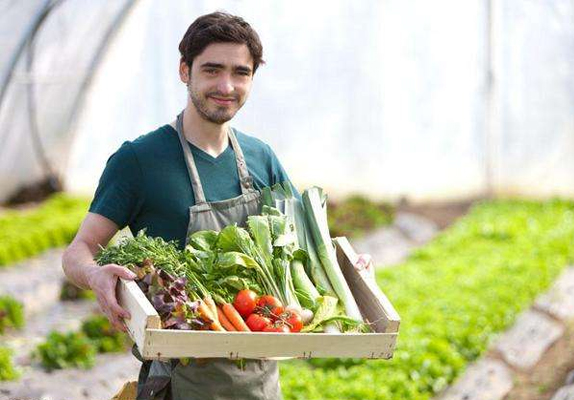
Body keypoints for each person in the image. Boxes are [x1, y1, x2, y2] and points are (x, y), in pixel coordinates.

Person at [62, 11, 373, 400]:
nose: (226, 85)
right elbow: (79, 249)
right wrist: (93, 275)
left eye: (240, 73)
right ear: (184, 70)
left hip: (260, 382)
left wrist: (348, 266)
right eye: (212, 70)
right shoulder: (139, 161)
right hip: (178, 381)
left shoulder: (263, 158)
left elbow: (303, 251)